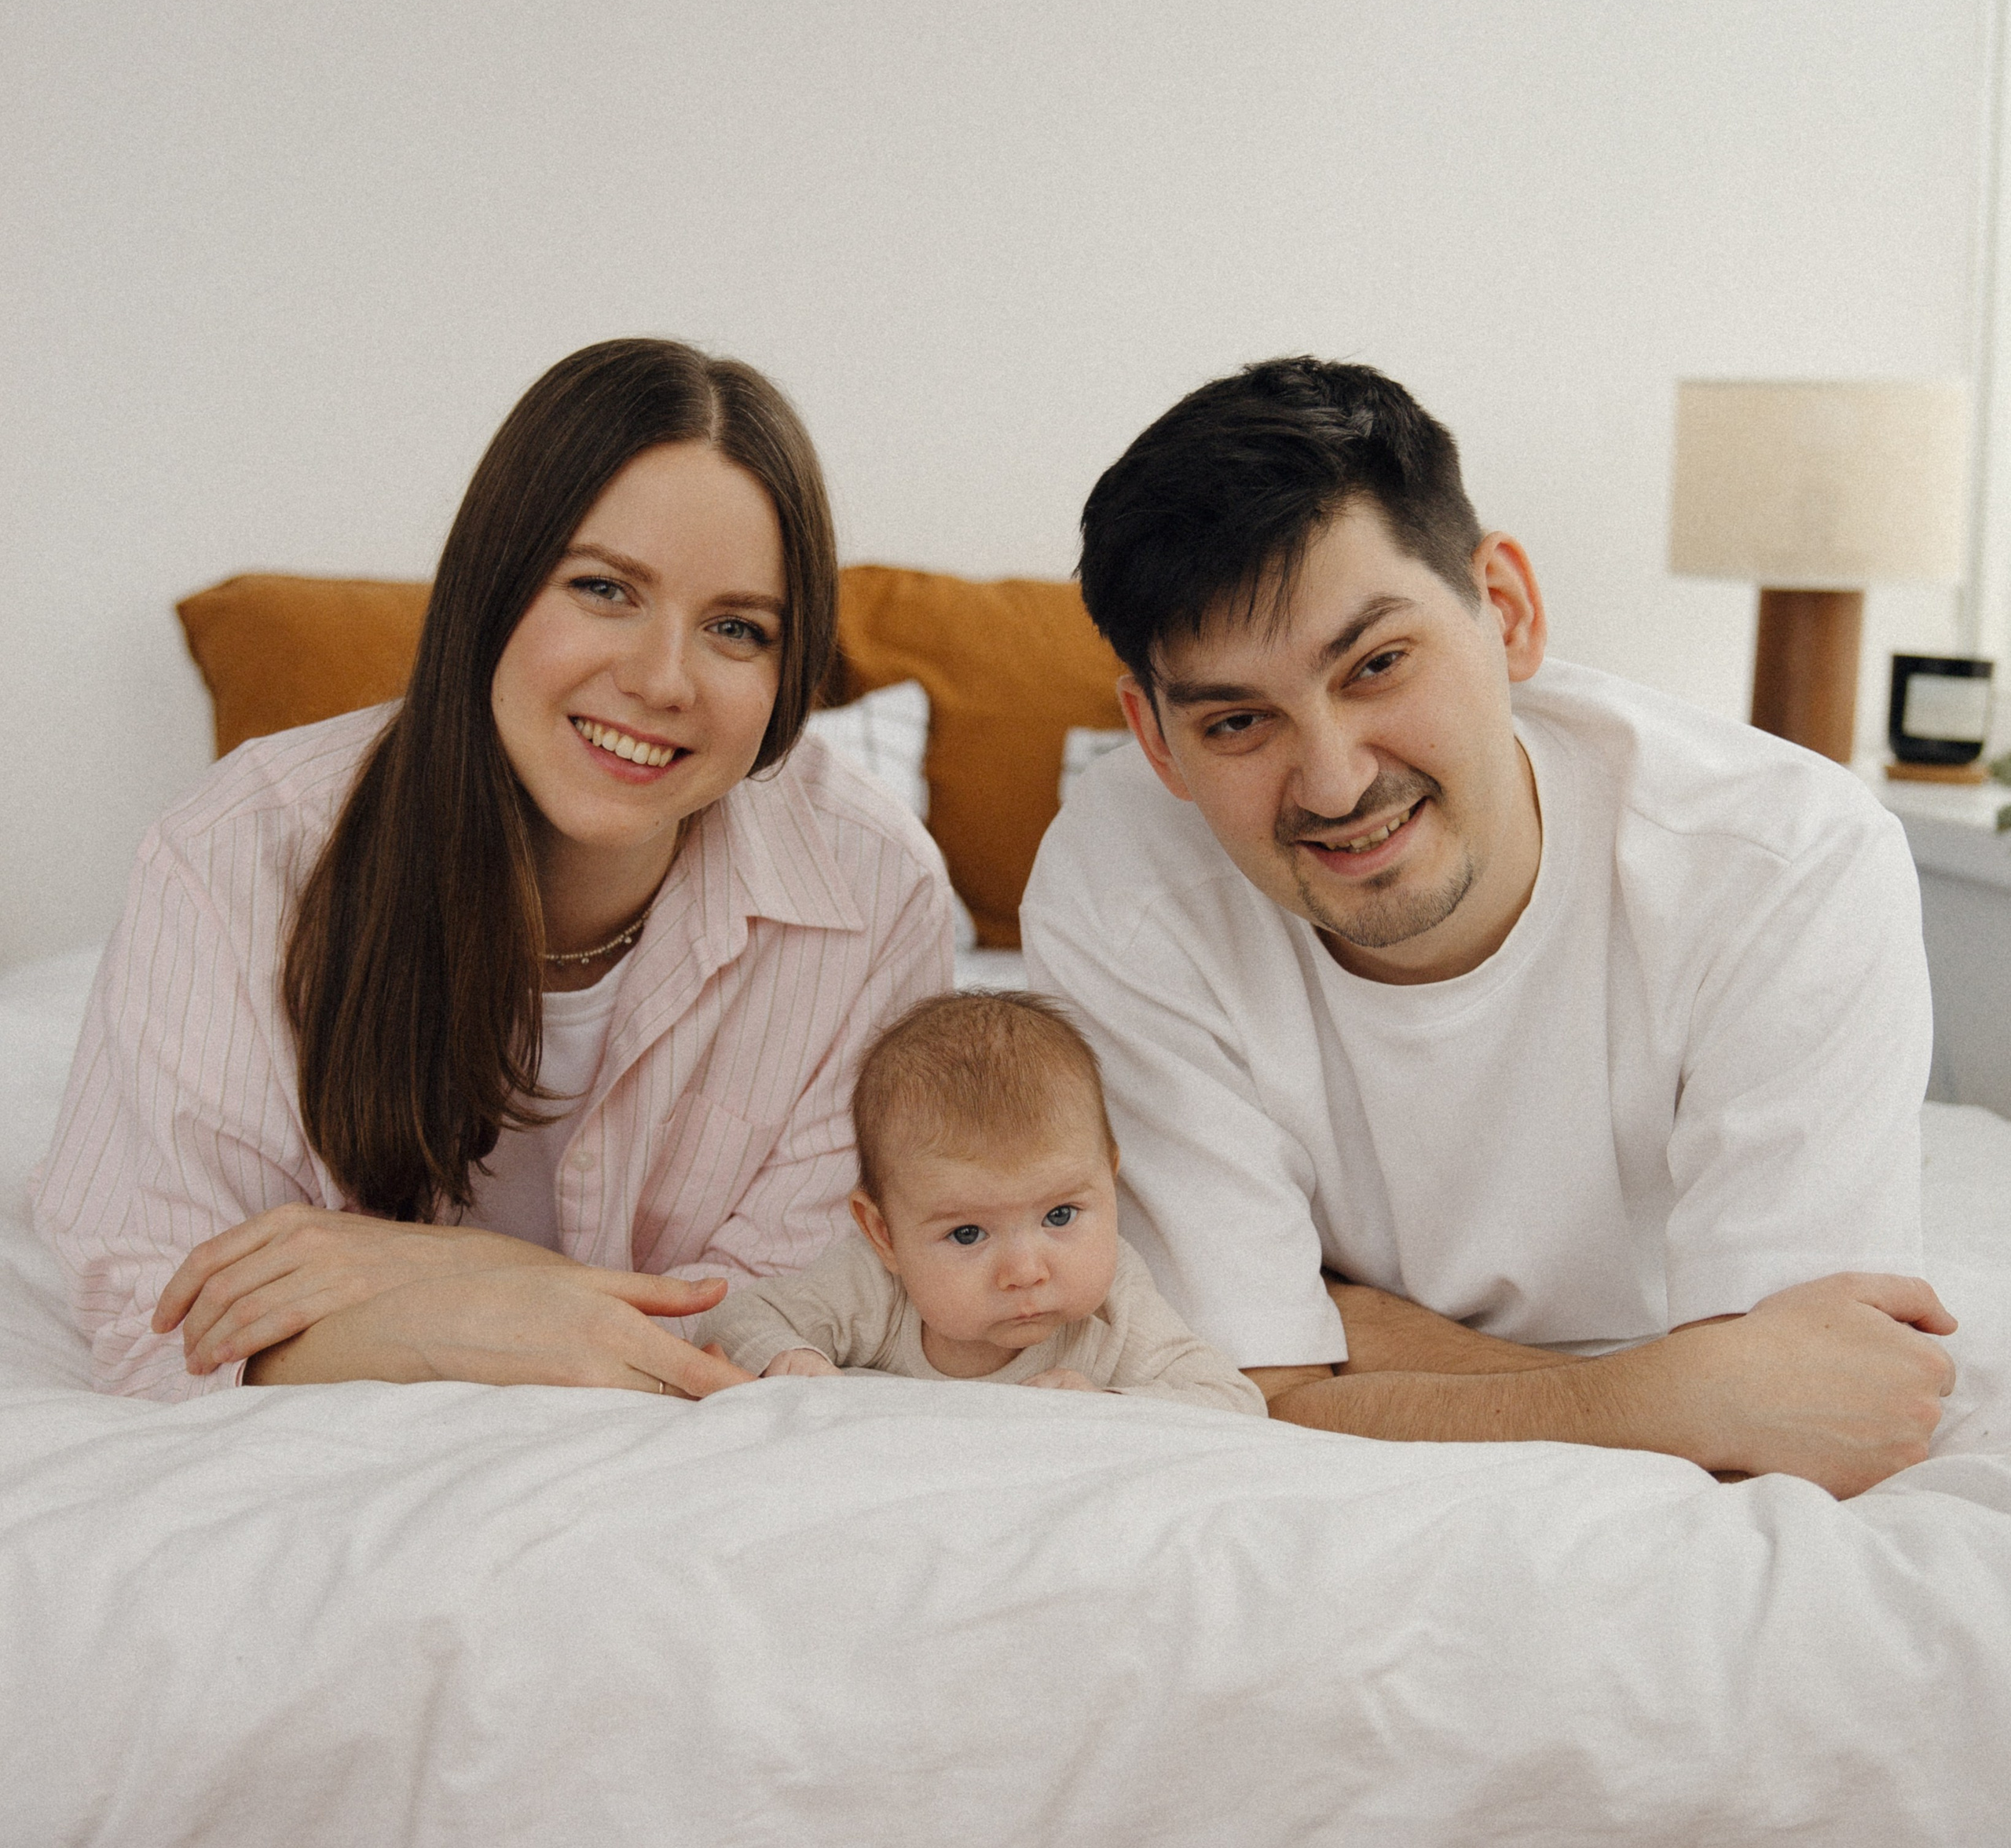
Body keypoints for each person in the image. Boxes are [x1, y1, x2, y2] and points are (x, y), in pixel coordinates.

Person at [1021, 357, 1957, 1496]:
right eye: (1235, 722)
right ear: (1155, 739)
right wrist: (1669, 1394)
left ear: (1505, 612)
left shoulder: (1788, 862)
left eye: (1375, 665)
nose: (1330, 781)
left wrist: (1354, 1341)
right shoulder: (1116, 888)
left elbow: (1821, 1419)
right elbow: (1242, 1394)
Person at [35, 338, 954, 1400]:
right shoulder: (238, 851)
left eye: (737, 628)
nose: (662, 680)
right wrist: (486, 1311)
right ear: (493, 582)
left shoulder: (877, 894)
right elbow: (168, 1317)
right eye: (606, 589)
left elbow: (778, 1319)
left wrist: (455, 1274)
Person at [690, 991, 1264, 1414]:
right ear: (883, 1234)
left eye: (1059, 1216)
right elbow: (736, 1316)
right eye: (968, 1234)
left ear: (1108, 1184)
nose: (1025, 1272)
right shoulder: (874, 1288)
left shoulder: (1114, 1309)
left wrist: (1109, 1404)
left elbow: (1232, 1400)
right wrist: (790, 1358)